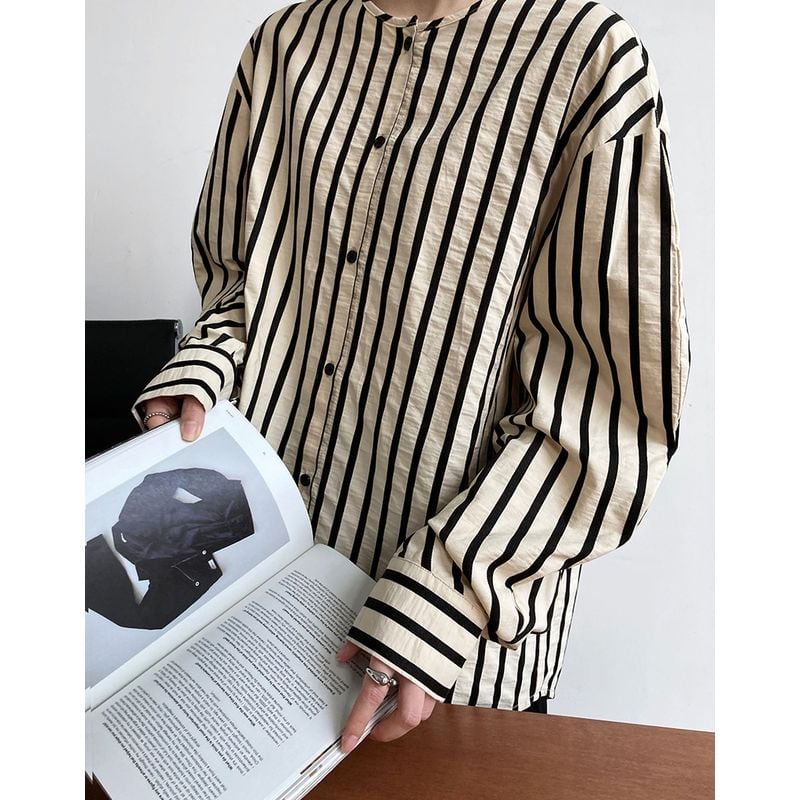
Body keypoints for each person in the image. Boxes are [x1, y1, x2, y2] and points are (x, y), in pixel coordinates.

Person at [134, 0, 690, 753]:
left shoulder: (589, 63)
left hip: (445, 667)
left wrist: (443, 592)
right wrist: (202, 368)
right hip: (248, 625)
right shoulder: (284, 47)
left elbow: (608, 407)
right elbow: (238, 285)